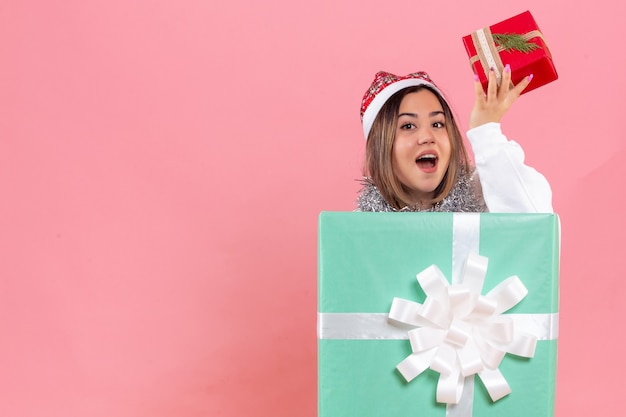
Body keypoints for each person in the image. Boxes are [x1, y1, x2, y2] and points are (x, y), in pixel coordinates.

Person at [356, 66, 553, 213]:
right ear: (380, 147)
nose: (427, 137)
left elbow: (534, 227)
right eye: (408, 126)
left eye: (437, 124)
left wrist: (486, 133)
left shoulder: (482, 192)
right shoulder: (363, 228)